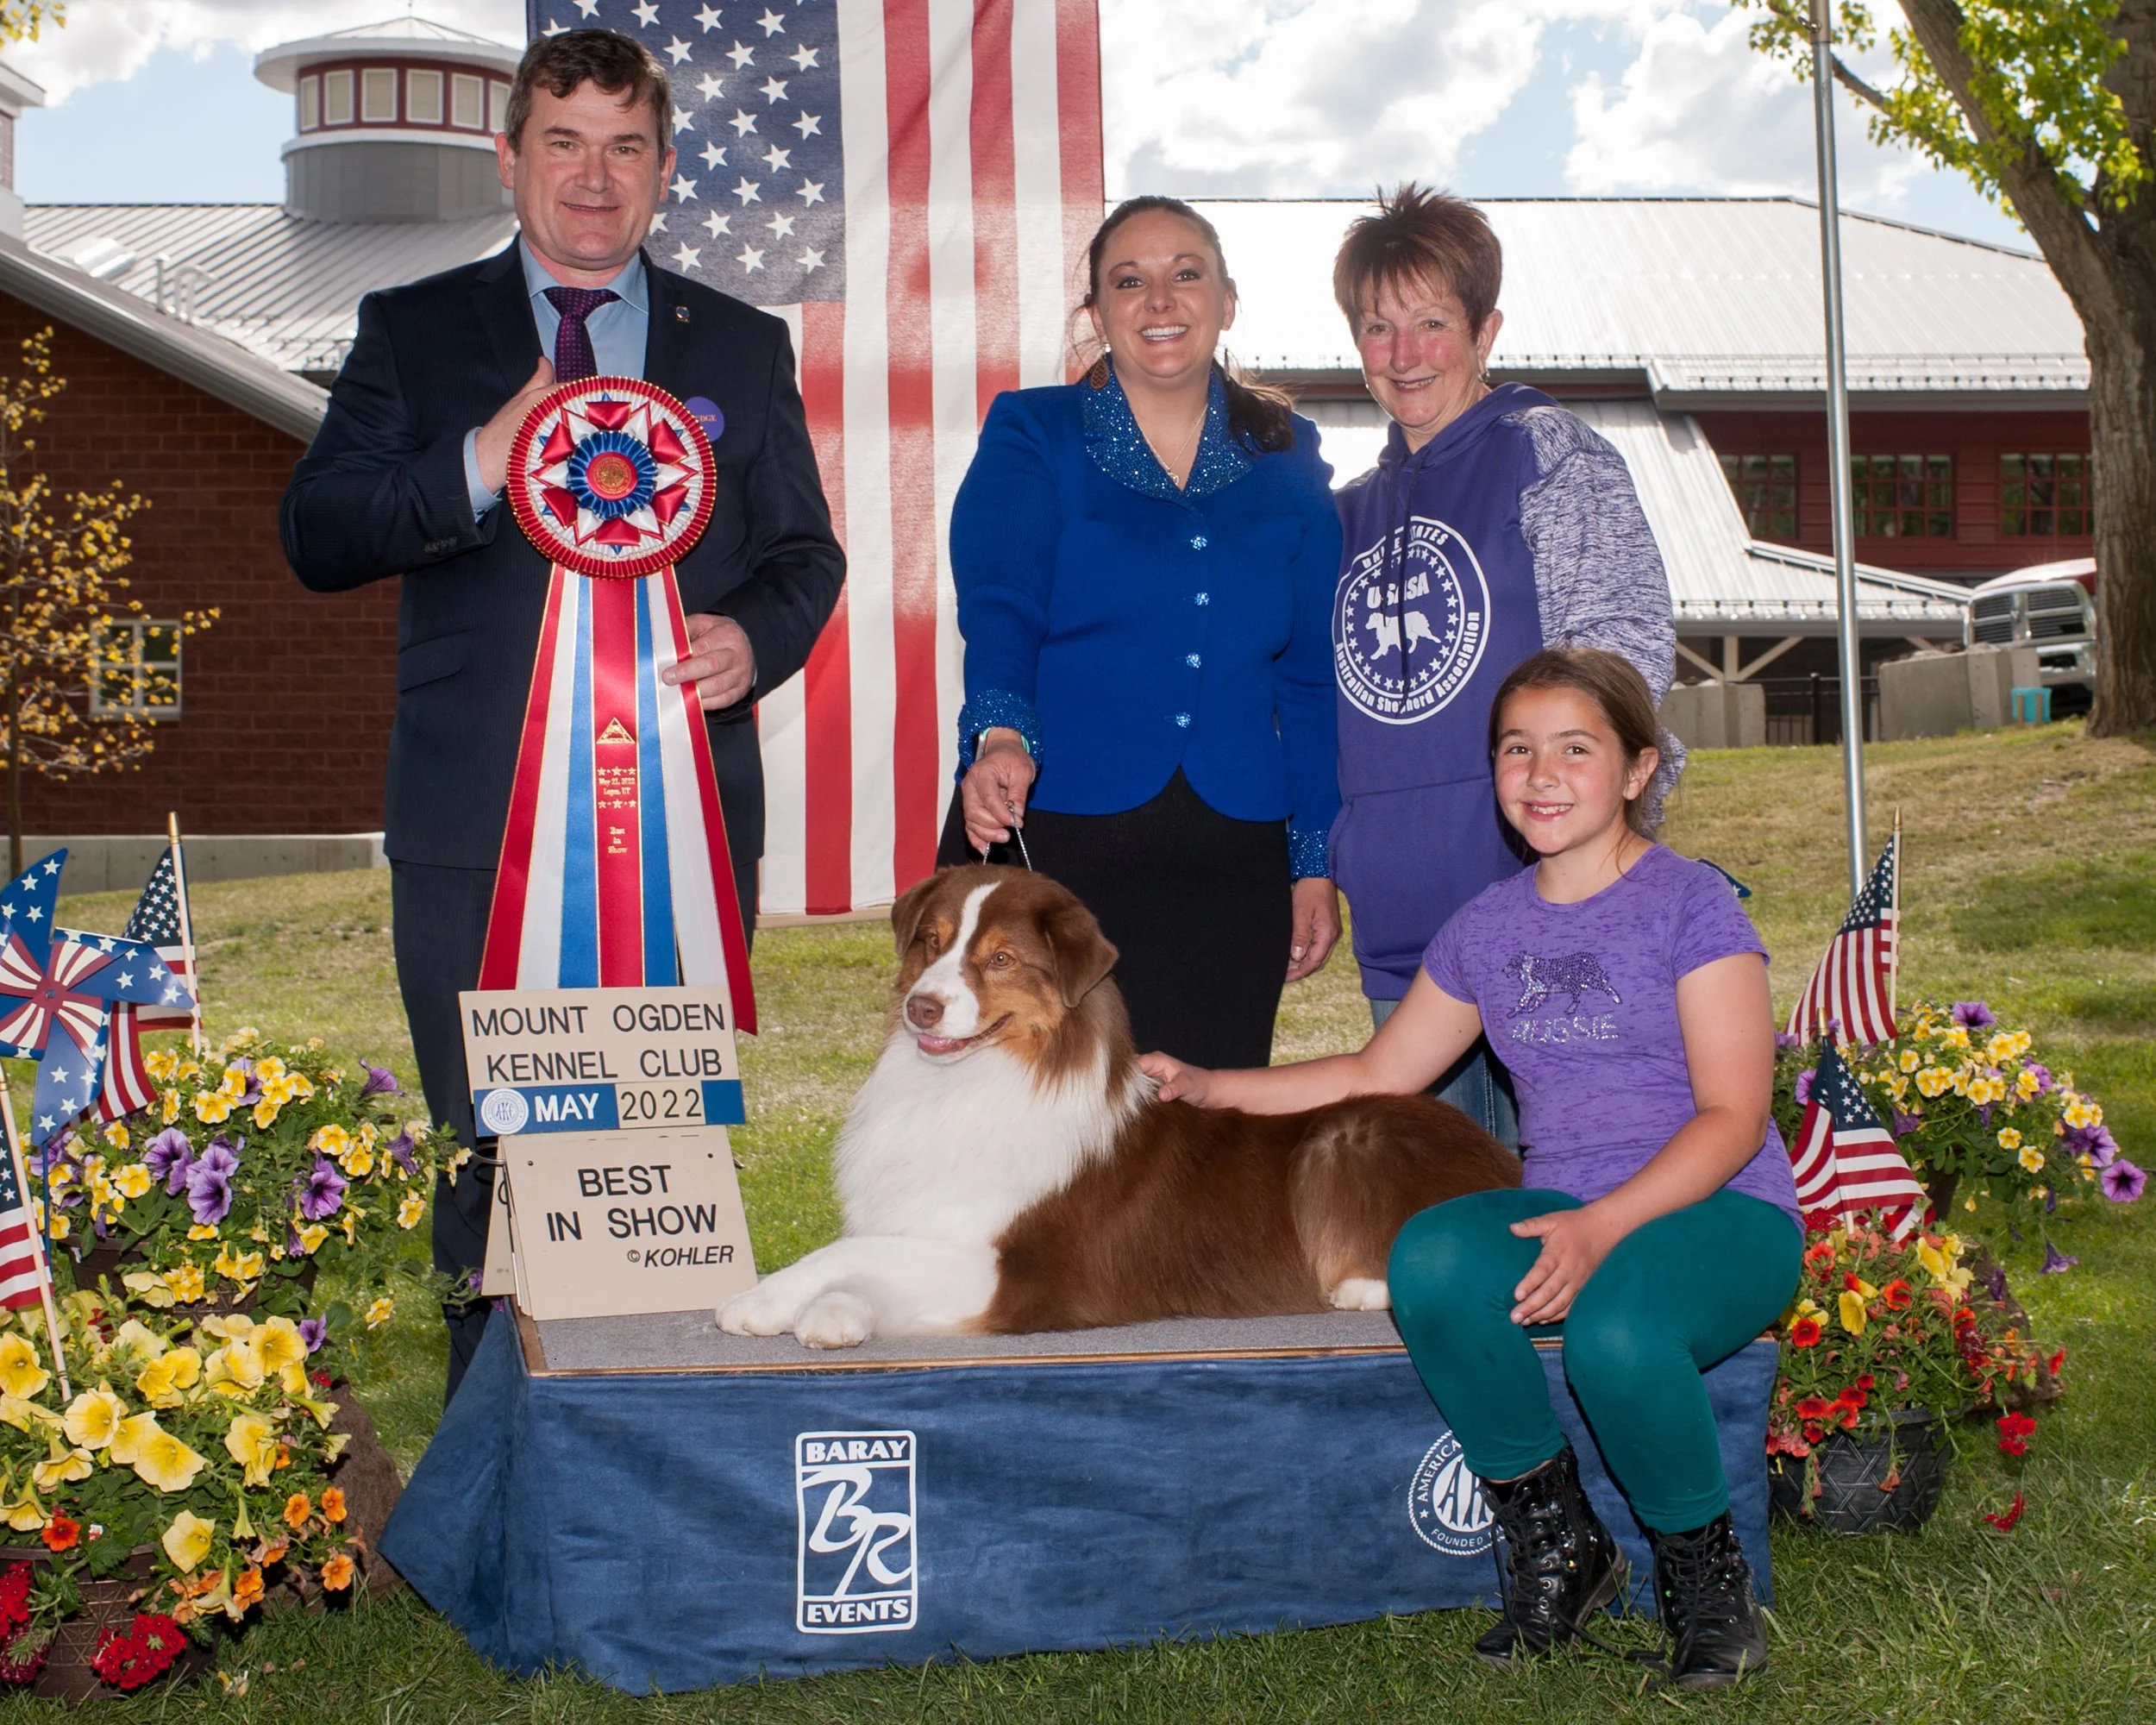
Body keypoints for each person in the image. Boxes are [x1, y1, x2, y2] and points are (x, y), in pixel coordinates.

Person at [279, 29, 844, 1398]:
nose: (595, 177)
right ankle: (496, 1442)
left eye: (625, 145)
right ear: (512, 156)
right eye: (565, 142)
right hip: (478, 822)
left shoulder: (748, 343)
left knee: (655, 1146)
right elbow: (321, 530)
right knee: (490, 1143)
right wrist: (483, 454)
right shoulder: (412, 330)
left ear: (663, 169)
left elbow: (804, 555)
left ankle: (647, 1419)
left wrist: (748, 639)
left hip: (681, 819)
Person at [1143, 647, 1798, 1691]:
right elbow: (1377, 1068)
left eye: (1574, 749)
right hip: (1567, 1204)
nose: (1540, 773)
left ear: (1636, 769)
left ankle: (1705, 1584)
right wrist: (1207, 1083)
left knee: (1617, 1327)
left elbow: (1734, 1115)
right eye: (1516, 749)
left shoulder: (1692, 906)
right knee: (1434, 1256)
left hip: (1722, 1209)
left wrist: (1604, 1225)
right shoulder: (1488, 926)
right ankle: (1557, 1542)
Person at [939, 197, 1344, 1071]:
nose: (1159, 300)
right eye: (1130, 280)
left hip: (1233, 857)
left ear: (1226, 301)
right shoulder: (1032, 430)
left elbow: (1310, 681)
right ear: (1096, 313)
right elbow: (1001, 601)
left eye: (1184, 274)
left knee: (1198, 1141)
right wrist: (1000, 731)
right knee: (1025, 1122)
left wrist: (1312, 861)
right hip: (1053, 825)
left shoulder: (1293, 457)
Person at [1326, 185, 1681, 1145]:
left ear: (1486, 329)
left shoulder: (1546, 454)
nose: (1404, 356)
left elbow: (1621, 655)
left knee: (1567, 1204)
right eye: (1377, 327)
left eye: (1431, 322)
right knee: (1447, 1218)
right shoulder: (1347, 512)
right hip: (1403, 935)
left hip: (1541, 920)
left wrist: (1573, 855)